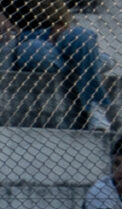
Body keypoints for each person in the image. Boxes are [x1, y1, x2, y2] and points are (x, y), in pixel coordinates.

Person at [0, 0, 113, 131]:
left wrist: (60, 24)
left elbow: (61, 12)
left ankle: (96, 107)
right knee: (39, 54)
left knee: (84, 36)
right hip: (25, 41)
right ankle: (91, 61)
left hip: (54, 34)